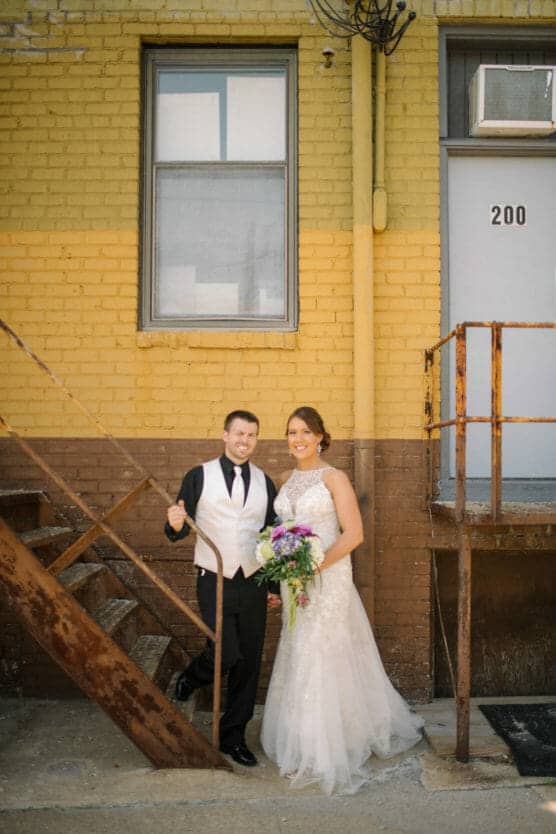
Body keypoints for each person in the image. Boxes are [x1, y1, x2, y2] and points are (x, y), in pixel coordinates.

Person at [261, 406, 423, 794]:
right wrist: (283, 566)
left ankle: (330, 745)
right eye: (291, 432)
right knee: (299, 649)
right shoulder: (283, 480)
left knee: (324, 650)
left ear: (320, 436)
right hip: (294, 580)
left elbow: (353, 535)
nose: (297, 439)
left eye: (304, 432)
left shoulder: (335, 478)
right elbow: (277, 532)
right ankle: (301, 739)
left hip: (327, 577)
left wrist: (312, 568)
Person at [165, 409, 279, 767]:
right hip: (213, 576)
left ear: (256, 440)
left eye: (252, 436)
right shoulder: (199, 475)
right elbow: (180, 527)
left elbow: (271, 538)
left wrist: (273, 584)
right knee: (226, 653)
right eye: (239, 434)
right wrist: (173, 523)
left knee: (248, 662)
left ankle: (233, 738)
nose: (245, 441)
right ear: (225, 435)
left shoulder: (265, 482)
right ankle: (192, 677)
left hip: (254, 581)